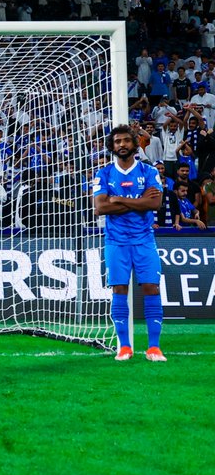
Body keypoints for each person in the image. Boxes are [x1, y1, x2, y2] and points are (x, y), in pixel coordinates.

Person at [92, 125, 166, 362]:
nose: (121, 145)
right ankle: (124, 346)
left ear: (134, 144)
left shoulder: (149, 171)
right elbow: (101, 207)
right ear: (112, 146)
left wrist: (119, 199)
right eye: (117, 142)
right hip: (116, 241)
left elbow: (155, 205)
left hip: (144, 239)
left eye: (125, 140)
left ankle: (154, 347)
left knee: (151, 288)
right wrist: (139, 201)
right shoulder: (103, 173)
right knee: (119, 289)